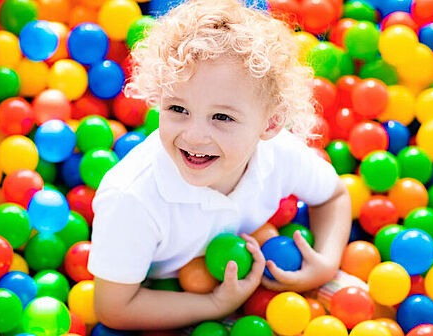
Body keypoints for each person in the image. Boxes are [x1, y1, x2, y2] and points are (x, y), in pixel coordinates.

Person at [87, 0, 352, 331]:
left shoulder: (280, 153)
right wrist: (213, 305)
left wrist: (325, 262)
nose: (194, 135)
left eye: (222, 117)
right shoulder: (132, 197)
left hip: (262, 278)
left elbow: (335, 195)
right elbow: (113, 307)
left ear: (270, 124)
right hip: (167, 297)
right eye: (178, 109)